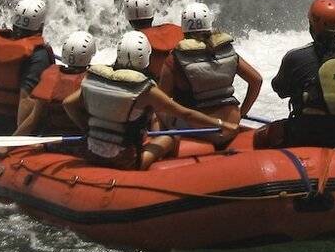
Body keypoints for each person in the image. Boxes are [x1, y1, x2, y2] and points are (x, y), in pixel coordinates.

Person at [62, 31, 228, 170]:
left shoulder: (94, 79)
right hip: (123, 161)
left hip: (91, 153)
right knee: (170, 137)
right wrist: (221, 124)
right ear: (146, 58)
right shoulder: (145, 89)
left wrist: (87, 128)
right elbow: (186, 114)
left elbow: (68, 103)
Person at [253, 0, 335, 154]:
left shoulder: (295, 57)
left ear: (312, 24)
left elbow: (280, 90)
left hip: (303, 138)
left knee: (260, 137)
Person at [159, 2, 262, 149]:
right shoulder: (226, 50)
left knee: (157, 110)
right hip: (232, 124)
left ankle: (157, 151)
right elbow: (256, 80)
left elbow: (161, 101)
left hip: (202, 130)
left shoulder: (175, 58)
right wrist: (242, 112)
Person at [0, 0, 55, 136]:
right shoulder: (38, 56)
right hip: (13, 132)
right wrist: (13, 144)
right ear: (41, 26)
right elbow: (27, 102)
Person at [12, 31, 95, 141]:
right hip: (79, 140)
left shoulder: (50, 76)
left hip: (50, 139)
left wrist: (10, 143)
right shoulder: (92, 80)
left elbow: (33, 118)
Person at [124, 0, 183, 81]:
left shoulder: (130, 44)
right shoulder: (176, 30)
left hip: (158, 88)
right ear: (152, 16)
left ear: (129, 20)